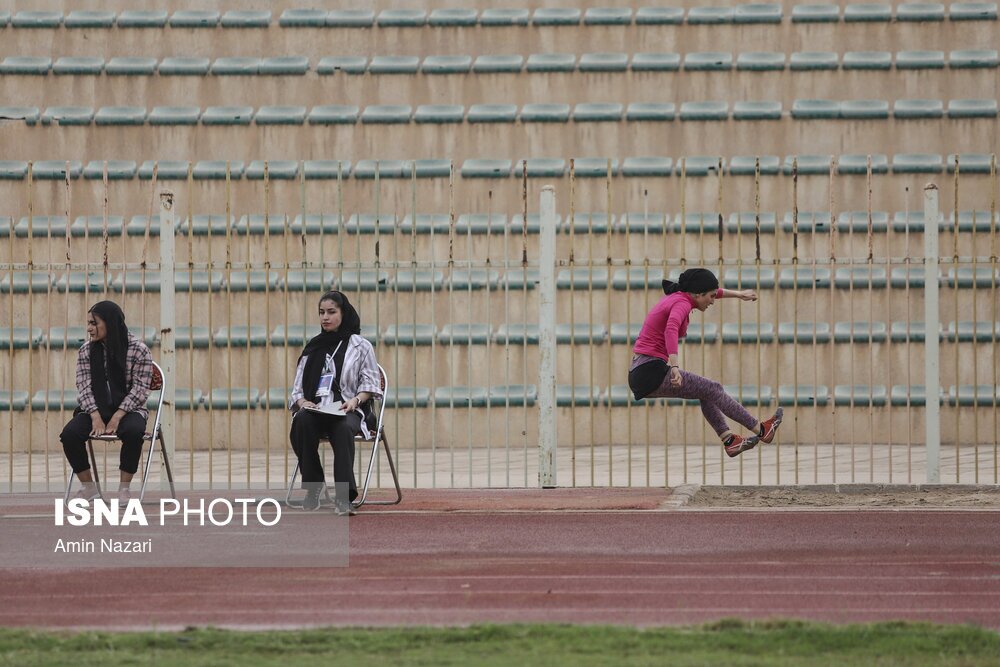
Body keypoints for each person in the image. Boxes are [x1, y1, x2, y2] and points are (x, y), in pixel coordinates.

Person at [628, 267, 783, 457]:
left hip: (643, 370)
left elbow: (715, 291)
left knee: (706, 391)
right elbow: (671, 329)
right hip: (649, 371)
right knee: (714, 388)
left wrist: (738, 294)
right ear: (698, 294)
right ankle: (761, 430)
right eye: (710, 297)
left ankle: (730, 441)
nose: (713, 301)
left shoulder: (683, 295)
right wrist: (674, 366)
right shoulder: (682, 304)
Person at [289, 290, 382, 514]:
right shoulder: (313, 348)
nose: (325, 317)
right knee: (301, 421)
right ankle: (314, 487)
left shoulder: (361, 346)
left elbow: (370, 384)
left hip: (349, 409)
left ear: (343, 313)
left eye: (331, 312)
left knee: (341, 427)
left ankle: (343, 497)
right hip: (318, 410)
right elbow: (297, 391)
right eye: (321, 312)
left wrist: (355, 401)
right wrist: (303, 402)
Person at [61, 301, 153, 502]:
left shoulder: (139, 350)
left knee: (133, 431)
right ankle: (89, 488)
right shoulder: (86, 351)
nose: (89, 328)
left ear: (110, 323)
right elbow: (84, 386)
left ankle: (124, 489)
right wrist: (95, 416)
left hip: (129, 410)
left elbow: (140, 390)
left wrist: (117, 416)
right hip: (95, 409)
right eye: (88, 323)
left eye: (94, 323)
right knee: (70, 434)